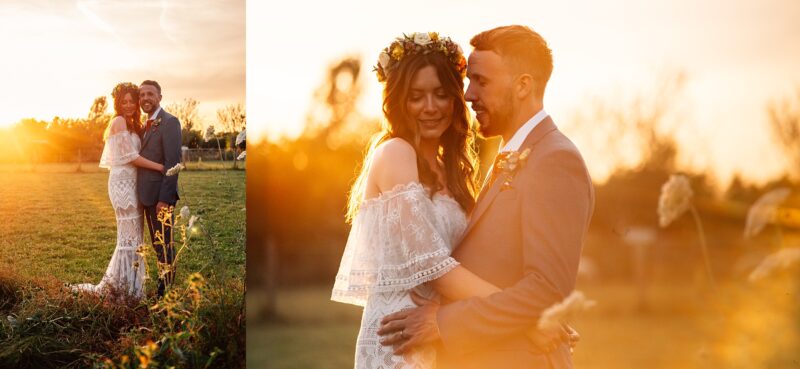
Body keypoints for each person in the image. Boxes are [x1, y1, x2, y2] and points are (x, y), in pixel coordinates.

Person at [331, 32, 577, 369]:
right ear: (398, 100)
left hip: (446, 339)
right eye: (416, 96)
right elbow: (433, 267)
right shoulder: (394, 154)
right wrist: (532, 319)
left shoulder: (458, 171)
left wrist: (525, 313)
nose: (430, 107)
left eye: (442, 95)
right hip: (401, 337)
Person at [73, 82, 165, 299]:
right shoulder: (119, 121)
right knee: (128, 239)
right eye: (123, 101)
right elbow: (131, 157)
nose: (128, 105)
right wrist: (160, 167)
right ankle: (124, 290)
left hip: (134, 184)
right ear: (117, 103)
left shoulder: (134, 123)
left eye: (132, 101)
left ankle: (132, 289)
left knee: (135, 238)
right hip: (122, 184)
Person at [137, 79, 182, 298]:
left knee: (164, 245)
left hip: (160, 199)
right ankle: (163, 289)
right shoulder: (144, 125)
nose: (145, 98)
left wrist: (164, 199)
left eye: (150, 94)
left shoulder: (170, 122)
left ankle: (166, 294)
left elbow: (173, 164)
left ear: (160, 97)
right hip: (146, 197)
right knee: (157, 245)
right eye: (142, 95)